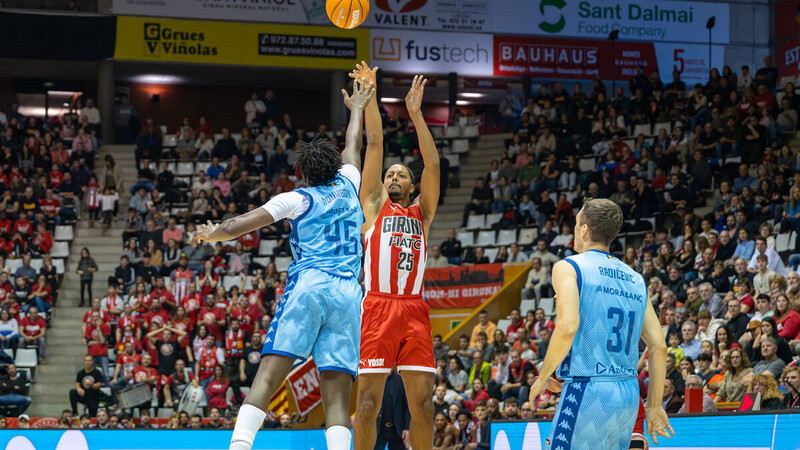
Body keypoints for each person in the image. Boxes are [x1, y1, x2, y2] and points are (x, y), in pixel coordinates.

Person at [196, 77, 373, 450]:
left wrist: (212, 234)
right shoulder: (350, 182)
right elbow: (354, 146)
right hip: (348, 294)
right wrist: (356, 109)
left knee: (268, 375)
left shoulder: (296, 198)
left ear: (304, 173)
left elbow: (235, 226)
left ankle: (239, 446)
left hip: (311, 285)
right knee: (337, 397)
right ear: (335, 166)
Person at [528, 198, 673, 448]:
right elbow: (658, 346)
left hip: (588, 391)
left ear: (584, 229)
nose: (575, 230)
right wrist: (655, 406)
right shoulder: (636, 278)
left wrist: (544, 375)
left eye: (576, 224)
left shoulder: (569, 266)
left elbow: (567, 326)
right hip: (627, 395)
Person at [353, 69, 440, 450]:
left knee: (423, 405)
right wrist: (370, 98)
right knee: (367, 403)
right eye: (390, 172)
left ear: (410, 184)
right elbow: (373, 143)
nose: (392, 175)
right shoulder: (373, 206)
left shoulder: (423, 212)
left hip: (414, 309)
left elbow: (434, 167)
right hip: (378, 306)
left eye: (401, 174)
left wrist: (416, 115)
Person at [374, 371, 411, 450]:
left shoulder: (401, 379)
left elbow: (407, 405)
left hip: (397, 429)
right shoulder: (374, 379)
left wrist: (406, 427)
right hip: (378, 428)